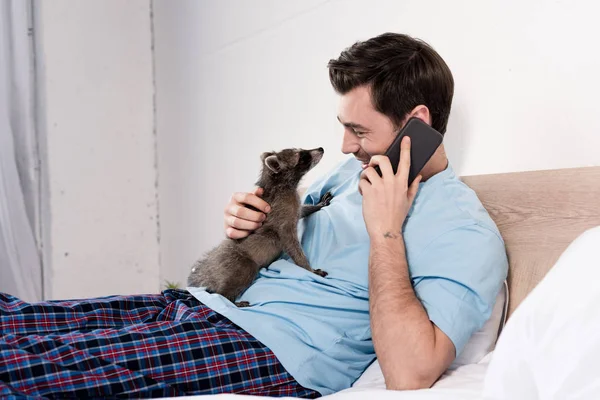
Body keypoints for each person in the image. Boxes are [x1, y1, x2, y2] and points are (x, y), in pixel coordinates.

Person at [0, 32, 507, 398]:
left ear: (415, 123)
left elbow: (410, 373)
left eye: (359, 130)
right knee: (13, 320)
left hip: (272, 349)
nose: (344, 145)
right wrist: (251, 225)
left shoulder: (463, 230)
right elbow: (287, 238)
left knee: (28, 368)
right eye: (343, 127)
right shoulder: (355, 174)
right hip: (209, 306)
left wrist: (387, 232)